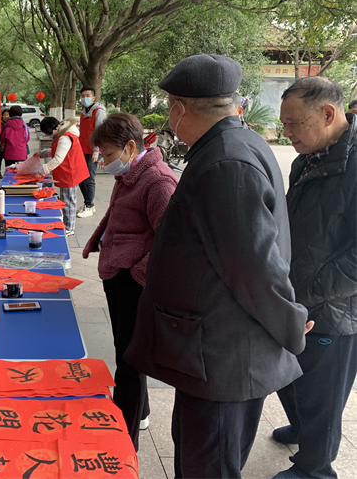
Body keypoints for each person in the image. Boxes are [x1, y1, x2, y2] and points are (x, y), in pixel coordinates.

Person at [124, 54, 311, 479]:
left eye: (169, 107)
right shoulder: (235, 143)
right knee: (198, 456)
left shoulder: (226, 163)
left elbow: (254, 269)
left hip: (225, 356)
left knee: (209, 465)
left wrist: (291, 323)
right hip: (211, 352)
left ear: (179, 108)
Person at [271, 77, 357, 479]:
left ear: (327, 113)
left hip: (334, 307)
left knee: (322, 394)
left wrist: (310, 292)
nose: (286, 133)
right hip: (298, 295)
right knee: (289, 378)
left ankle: (315, 469)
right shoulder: (308, 158)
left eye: (294, 124)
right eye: (283, 124)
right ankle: (304, 431)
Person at [82, 113, 178, 450]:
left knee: (129, 360)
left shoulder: (158, 181)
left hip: (134, 281)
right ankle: (142, 411)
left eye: (109, 154)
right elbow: (116, 216)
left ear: (131, 147)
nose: (104, 161)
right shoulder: (131, 173)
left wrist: (138, 273)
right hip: (118, 272)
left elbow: (170, 240)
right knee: (125, 347)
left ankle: (125, 441)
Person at [36, 117, 90, 236]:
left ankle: (69, 228)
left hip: (70, 172)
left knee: (68, 202)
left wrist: (43, 169)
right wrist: (42, 153)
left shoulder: (65, 138)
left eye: (47, 133)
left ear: (52, 128)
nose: (48, 136)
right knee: (67, 200)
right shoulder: (63, 134)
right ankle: (66, 224)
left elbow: (58, 158)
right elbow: (58, 151)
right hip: (69, 171)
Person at [77, 86, 107, 218]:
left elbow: (99, 133)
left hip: (93, 151)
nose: (85, 98)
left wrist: (96, 151)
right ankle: (89, 203)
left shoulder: (99, 111)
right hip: (82, 149)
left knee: (89, 178)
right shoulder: (83, 112)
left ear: (93, 98)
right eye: (83, 96)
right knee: (80, 178)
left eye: (88, 96)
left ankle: (89, 206)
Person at [0, 109, 10, 178]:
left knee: (8, 159)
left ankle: (8, 172)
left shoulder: (10, 124)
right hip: (0, 143)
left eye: (8, 115)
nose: (6, 116)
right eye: (5, 115)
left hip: (8, 144)